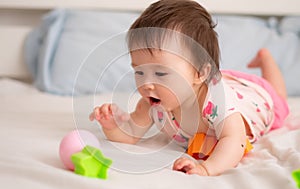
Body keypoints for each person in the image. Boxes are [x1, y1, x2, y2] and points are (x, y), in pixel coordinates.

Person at [89, 0, 289, 176]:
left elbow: (234, 141)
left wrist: (206, 168)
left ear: (200, 73)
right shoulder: (152, 103)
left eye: (160, 74)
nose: (147, 84)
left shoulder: (219, 106)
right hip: (218, 81)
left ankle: (265, 59)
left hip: (254, 97)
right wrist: (112, 125)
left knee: (279, 99)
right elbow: (130, 133)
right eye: (139, 72)